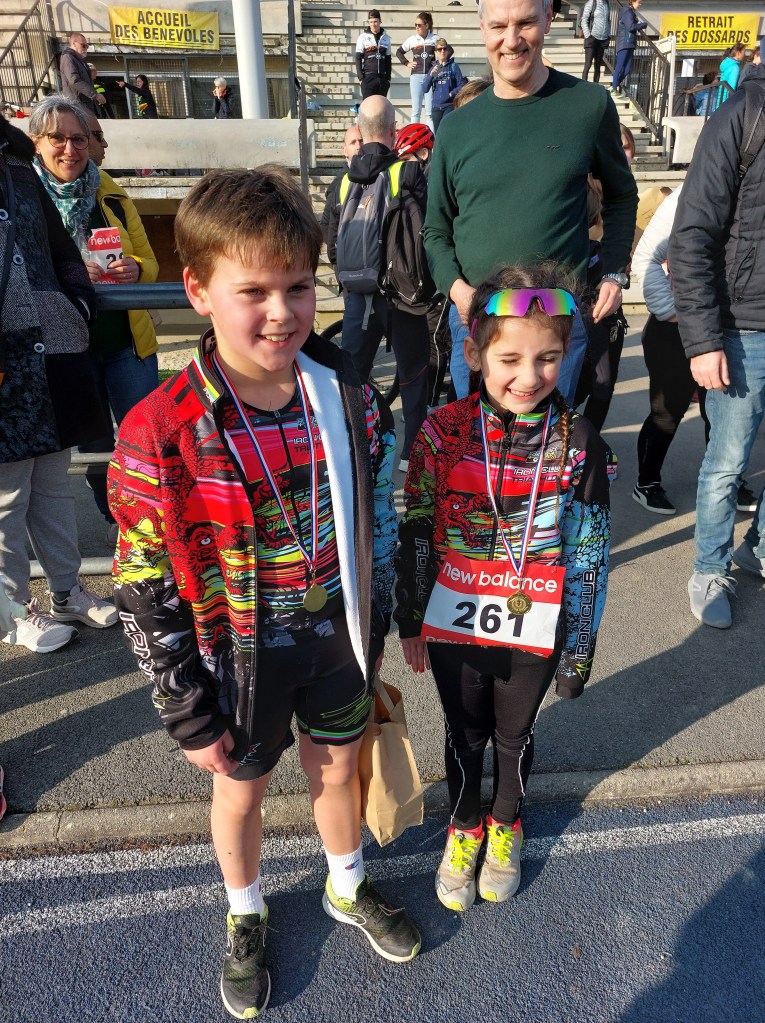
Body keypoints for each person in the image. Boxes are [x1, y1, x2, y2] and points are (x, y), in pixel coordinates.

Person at [108, 166, 421, 1019]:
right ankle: (244, 911)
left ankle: (345, 884)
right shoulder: (160, 428)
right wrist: (184, 707)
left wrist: (379, 623)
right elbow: (142, 584)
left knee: (339, 767)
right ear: (198, 290)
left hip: (336, 641)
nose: (282, 312)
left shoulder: (349, 397)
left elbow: (377, 522)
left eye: (297, 286)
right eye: (253, 291)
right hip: (236, 657)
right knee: (239, 789)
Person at [395, 262, 613, 912]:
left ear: (566, 355)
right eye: (509, 359)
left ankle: (505, 823)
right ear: (474, 354)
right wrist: (409, 617)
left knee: (513, 736)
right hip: (454, 620)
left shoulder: (581, 443)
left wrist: (578, 650)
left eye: (547, 358)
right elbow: (414, 526)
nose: (529, 376)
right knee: (464, 734)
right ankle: (464, 827)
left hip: (534, 626)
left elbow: (590, 556)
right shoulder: (441, 433)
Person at [424, 0, 637, 407]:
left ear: (548, 19)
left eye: (525, 23)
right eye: (498, 26)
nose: (511, 39)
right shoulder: (454, 128)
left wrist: (614, 272)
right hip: (476, 315)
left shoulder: (588, 105)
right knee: (477, 441)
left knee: (549, 440)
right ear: (482, 28)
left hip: (556, 317)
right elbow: (435, 230)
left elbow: (622, 195)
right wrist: (459, 292)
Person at [0, 113, 117, 653]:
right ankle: (13, 610)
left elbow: (62, 251)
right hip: (8, 356)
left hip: (50, 348)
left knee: (52, 484)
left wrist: (78, 304)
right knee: (8, 496)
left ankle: (68, 591)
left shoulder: (17, 164)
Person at [30, 96, 160, 545]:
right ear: (36, 142)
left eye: (79, 139)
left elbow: (150, 261)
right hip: (69, 349)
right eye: (58, 138)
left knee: (147, 441)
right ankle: (115, 521)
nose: (70, 149)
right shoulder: (25, 200)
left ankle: (151, 521)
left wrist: (135, 269)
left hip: (127, 346)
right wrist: (66, 273)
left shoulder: (111, 193)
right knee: (95, 448)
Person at [669, 61, 765, 629]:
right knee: (727, 462)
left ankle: (758, 549)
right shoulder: (742, 115)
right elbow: (691, 235)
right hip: (742, 327)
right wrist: (703, 340)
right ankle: (709, 568)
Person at [331, 95, 432, 471]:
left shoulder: (344, 182)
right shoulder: (407, 172)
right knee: (413, 373)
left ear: (361, 131)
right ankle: (410, 456)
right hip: (402, 295)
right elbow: (426, 230)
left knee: (353, 375)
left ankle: (355, 448)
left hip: (359, 294)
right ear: (393, 132)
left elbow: (331, 237)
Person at [320, 123, 363, 265]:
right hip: (347, 261)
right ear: (345, 151)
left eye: (361, 140)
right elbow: (326, 224)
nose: (358, 146)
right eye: (353, 142)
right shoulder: (338, 184)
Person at [396, 12, 438, 128]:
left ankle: (431, 138)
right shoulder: (412, 39)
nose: (417, 27)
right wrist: (407, 63)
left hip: (430, 77)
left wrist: (438, 66)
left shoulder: (435, 38)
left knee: (429, 112)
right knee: (416, 111)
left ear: (427, 25)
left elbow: (447, 51)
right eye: (415, 25)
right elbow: (399, 52)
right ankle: (414, 137)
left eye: (419, 25)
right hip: (416, 77)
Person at [424, 39, 467, 131]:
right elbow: (425, 89)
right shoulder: (435, 68)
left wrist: (451, 93)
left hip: (449, 105)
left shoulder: (453, 66)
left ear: (447, 51)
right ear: (436, 52)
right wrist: (431, 75)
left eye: (444, 49)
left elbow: (461, 85)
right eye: (439, 49)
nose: (442, 51)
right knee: (438, 133)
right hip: (436, 106)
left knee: (447, 130)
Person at [58, 33, 105, 116]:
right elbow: (74, 80)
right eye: (83, 45)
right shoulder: (68, 57)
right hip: (76, 106)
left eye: (87, 46)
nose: (85, 48)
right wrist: (94, 94)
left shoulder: (80, 60)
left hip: (84, 105)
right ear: (74, 44)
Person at [610, 0, 647, 97]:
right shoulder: (628, 12)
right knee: (619, 67)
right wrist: (643, 25)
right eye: (639, 2)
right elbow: (630, 27)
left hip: (629, 44)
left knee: (627, 70)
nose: (640, 4)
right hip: (624, 43)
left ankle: (614, 85)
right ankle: (614, 89)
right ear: (633, 2)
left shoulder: (631, 12)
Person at [355, 10, 392, 99]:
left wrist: (388, 78)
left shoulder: (386, 38)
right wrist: (361, 78)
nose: (373, 24)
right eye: (371, 22)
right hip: (368, 77)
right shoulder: (363, 37)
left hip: (382, 78)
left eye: (375, 21)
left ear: (380, 21)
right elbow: (358, 58)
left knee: (381, 105)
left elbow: (388, 59)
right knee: (368, 105)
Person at [581, 0, 610, 84]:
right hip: (592, 38)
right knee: (588, 64)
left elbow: (608, 20)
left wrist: (608, 33)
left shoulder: (606, 3)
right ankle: (583, 86)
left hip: (603, 39)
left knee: (598, 66)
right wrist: (588, 35)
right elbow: (584, 19)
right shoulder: (592, 2)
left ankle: (596, 86)